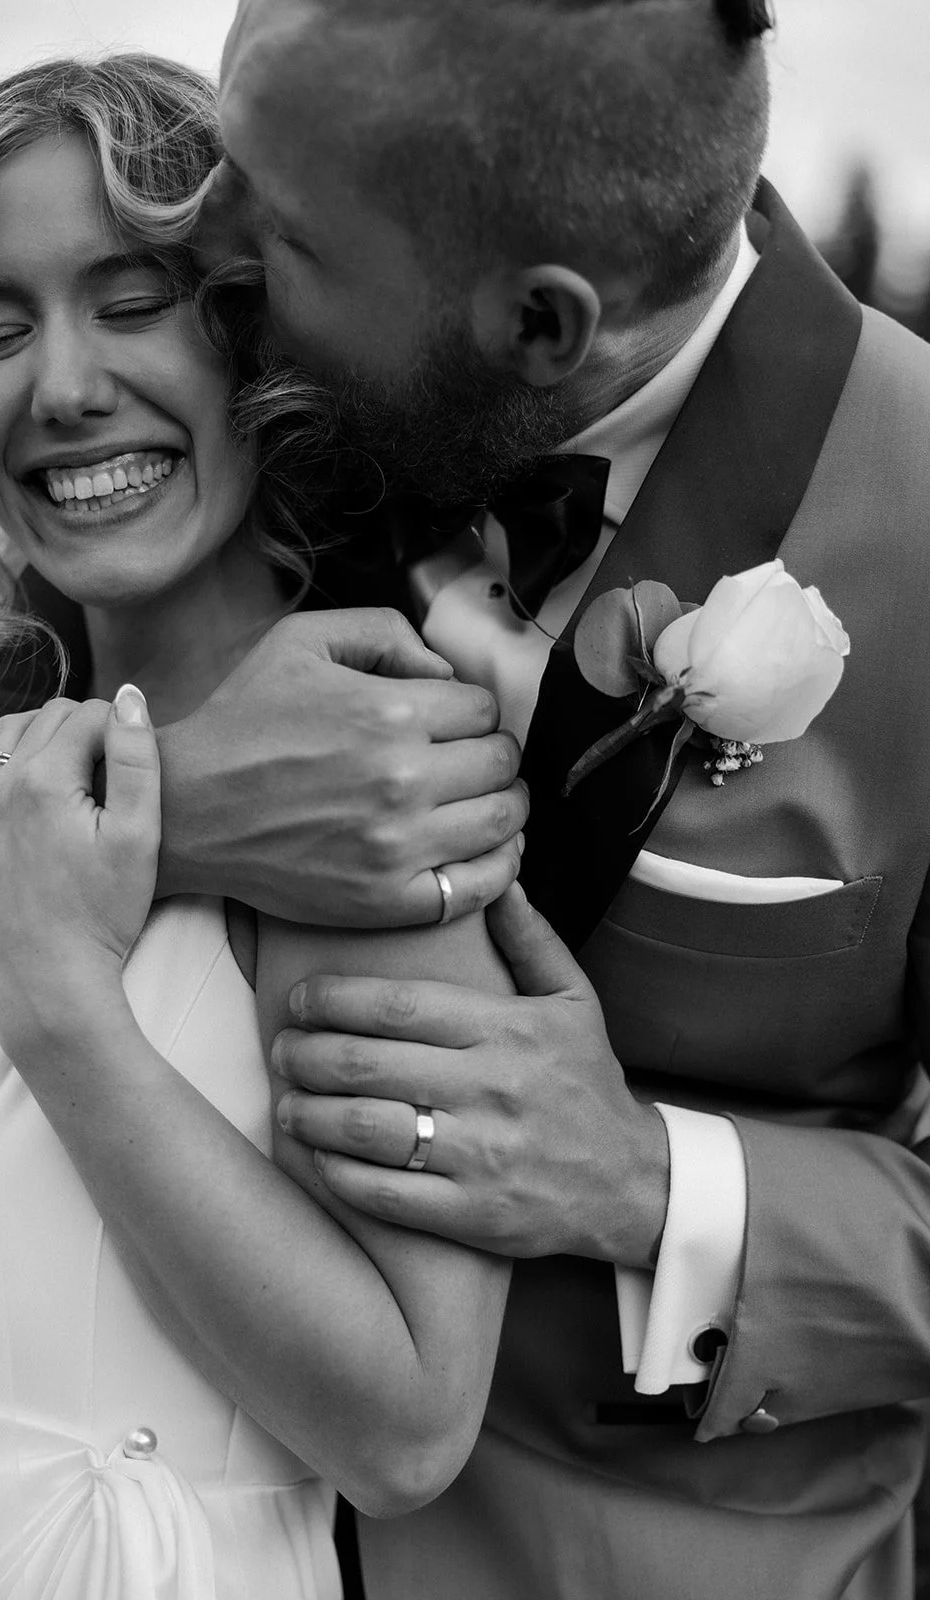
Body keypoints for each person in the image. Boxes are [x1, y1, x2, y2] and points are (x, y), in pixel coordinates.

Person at [179, 1, 930, 1596]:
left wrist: (650, 1180)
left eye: (288, 228)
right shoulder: (174, 372)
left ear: (541, 324)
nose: (202, 242)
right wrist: (163, 802)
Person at [0, 53, 523, 1599]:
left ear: (251, 335)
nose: (61, 385)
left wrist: (71, 1020)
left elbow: (408, 1427)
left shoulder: (368, 792)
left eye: (131, 300)